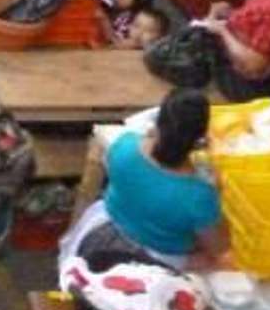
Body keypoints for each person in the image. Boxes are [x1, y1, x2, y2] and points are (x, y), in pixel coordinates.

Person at [66, 89, 224, 271]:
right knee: (217, 261)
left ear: (158, 122)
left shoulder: (124, 146)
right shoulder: (200, 194)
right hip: (159, 255)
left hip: (108, 229)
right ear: (199, 139)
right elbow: (218, 247)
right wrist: (217, 191)